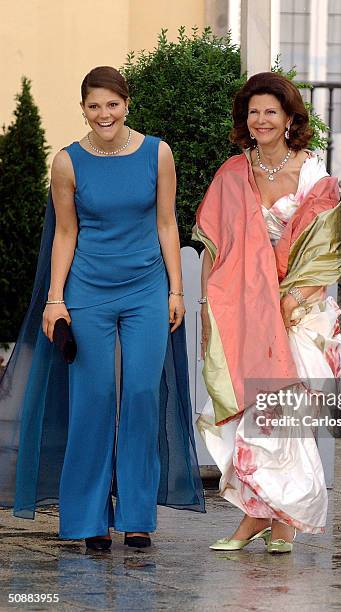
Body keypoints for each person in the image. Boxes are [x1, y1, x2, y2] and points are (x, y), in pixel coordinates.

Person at [0, 66, 205, 550]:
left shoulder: (158, 154)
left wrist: (176, 290)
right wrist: (56, 299)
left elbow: (168, 224)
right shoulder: (67, 163)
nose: (104, 114)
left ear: (127, 104)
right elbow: (65, 233)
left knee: (138, 395)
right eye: (94, 106)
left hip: (147, 290)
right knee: (92, 402)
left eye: (112, 104)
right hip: (87, 291)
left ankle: (136, 515)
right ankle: (88, 518)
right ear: (83, 110)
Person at [194, 72, 341, 553]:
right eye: (253, 111)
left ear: (289, 119)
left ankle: (279, 520)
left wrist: (291, 302)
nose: (261, 119)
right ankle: (260, 517)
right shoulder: (232, 174)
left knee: (284, 418)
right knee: (252, 417)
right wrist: (207, 309)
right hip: (242, 311)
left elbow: (325, 255)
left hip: (302, 314)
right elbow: (214, 251)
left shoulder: (314, 177)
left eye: (270, 112)